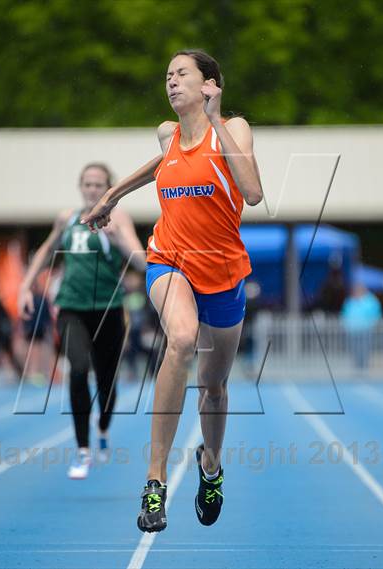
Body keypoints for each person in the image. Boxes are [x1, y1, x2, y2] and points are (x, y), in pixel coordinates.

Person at [82, 49, 263, 532]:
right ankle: (156, 482)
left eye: (182, 74)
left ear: (209, 83)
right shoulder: (168, 134)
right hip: (170, 259)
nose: (171, 81)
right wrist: (111, 195)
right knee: (180, 339)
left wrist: (215, 117)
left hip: (223, 270)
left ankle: (211, 466)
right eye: (168, 75)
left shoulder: (235, 128)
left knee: (215, 387)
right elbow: (159, 162)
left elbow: (253, 191)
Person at [18, 162, 146, 479]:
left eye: (98, 185)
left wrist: (116, 239)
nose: (92, 190)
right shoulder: (68, 218)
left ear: (109, 189)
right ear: (81, 187)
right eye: (87, 184)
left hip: (109, 309)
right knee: (77, 370)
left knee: (107, 385)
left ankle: (102, 426)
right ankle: (83, 450)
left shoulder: (119, 218)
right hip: (72, 307)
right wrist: (25, 285)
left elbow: (141, 262)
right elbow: (47, 249)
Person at [341, 283, 382, 370]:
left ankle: (364, 366)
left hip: (366, 329)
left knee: (364, 349)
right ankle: (357, 367)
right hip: (352, 330)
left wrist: (372, 324)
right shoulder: (350, 300)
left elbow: (376, 314)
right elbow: (344, 313)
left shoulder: (371, 300)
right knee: (355, 349)